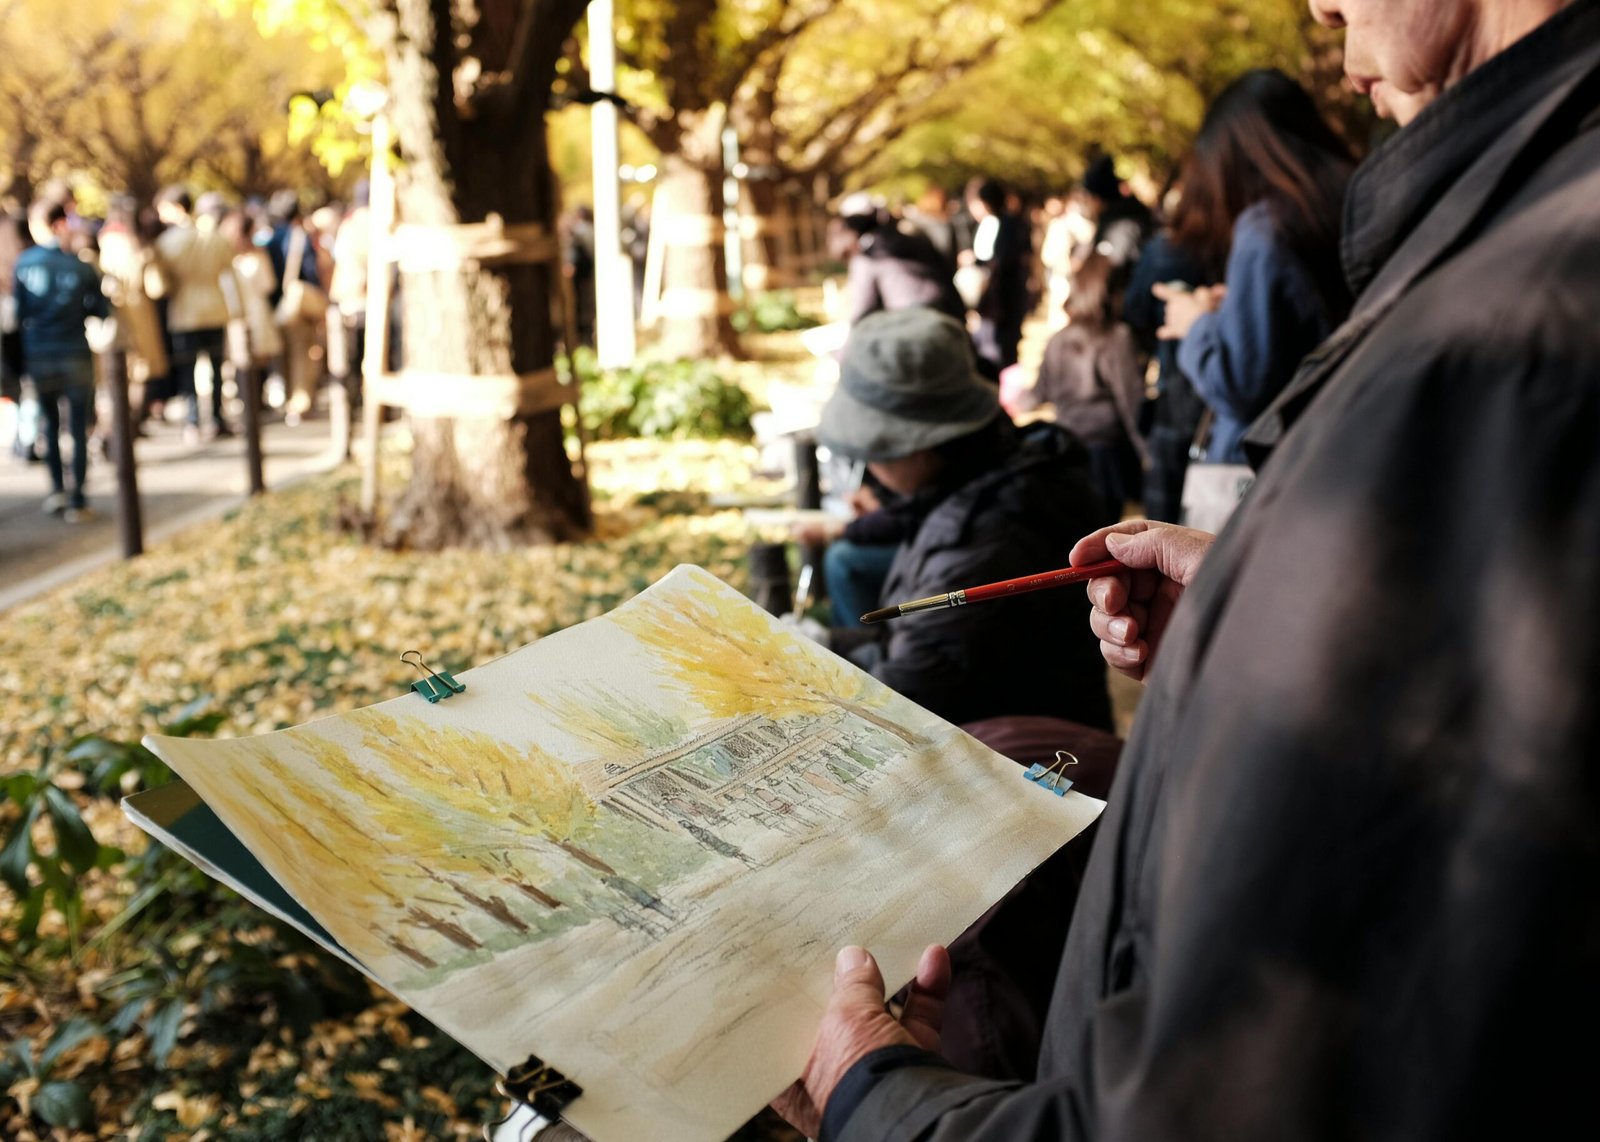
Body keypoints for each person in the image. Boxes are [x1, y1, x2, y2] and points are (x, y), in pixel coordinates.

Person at [775, 2, 1600, 1139]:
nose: (1319, 7)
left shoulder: (1503, 340)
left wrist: (877, 1096)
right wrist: (1259, 597)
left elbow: (1244, 1085)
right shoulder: (1521, 266)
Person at [813, 306, 1114, 731]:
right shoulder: (992, 474)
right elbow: (917, 644)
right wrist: (826, 644)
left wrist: (810, 655)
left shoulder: (990, 537)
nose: (870, 466)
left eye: (871, 452)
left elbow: (903, 696)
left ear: (916, 446)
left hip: (1026, 773)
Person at [1155, 69, 1355, 463]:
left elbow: (1241, 384)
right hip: (1343, 433)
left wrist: (1194, 323)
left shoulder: (1265, 229)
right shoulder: (1349, 196)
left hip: (1286, 460)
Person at [1015, 252, 1149, 514]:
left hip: (1065, 449)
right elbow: (1131, 402)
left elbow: (1039, 392)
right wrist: (1147, 452)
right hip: (1106, 455)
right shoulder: (1117, 338)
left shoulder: (1058, 339)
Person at [12, 200, 108, 521]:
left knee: (49, 423)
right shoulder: (80, 266)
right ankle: (78, 497)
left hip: (40, 352)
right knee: (78, 426)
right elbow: (101, 309)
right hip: (74, 350)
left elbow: (19, 312)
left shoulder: (24, 264)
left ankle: (57, 490)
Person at [155, 187, 238, 439]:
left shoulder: (168, 242)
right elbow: (229, 267)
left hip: (185, 311)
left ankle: (192, 421)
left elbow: (160, 284)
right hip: (215, 306)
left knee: (188, 369)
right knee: (214, 367)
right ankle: (216, 417)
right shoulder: (214, 237)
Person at [838, 193, 964, 328]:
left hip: (911, 332)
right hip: (949, 322)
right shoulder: (917, 241)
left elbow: (862, 312)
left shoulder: (867, 259)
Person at [264, 190, 325, 425]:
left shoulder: (269, 241)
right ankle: (299, 404)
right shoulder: (300, 238)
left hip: (278, 309)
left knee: (284, 357)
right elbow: (311, 274)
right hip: (297, 309)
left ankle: (288, 400)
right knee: (302, 356)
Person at [964, 179, 1030, 379]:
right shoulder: (1009, 223)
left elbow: (999, 262)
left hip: (999, 300)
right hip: (1005, 298)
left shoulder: (1001, 224)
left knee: (997, 348)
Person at [1079, 154, 1153, 271]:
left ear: (1097, 198)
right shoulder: (1116, 218)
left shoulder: (1123, 224)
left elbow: (1112, 267)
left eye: (1088, 198)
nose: (1087, 204)